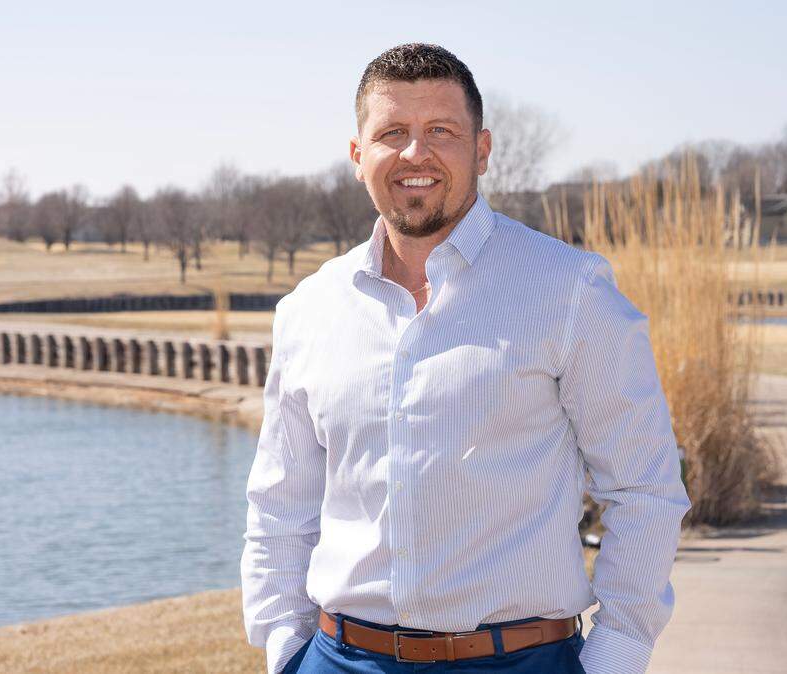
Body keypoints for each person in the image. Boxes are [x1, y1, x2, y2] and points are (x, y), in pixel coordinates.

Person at [240, 42, 692, 674]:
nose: (414, 153)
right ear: (357, 155)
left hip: (518, 660)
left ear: (481, 148)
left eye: (441, 132)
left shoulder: (570, 290)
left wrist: (619, 651)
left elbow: (644, 487)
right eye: (392, 132)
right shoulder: (310, 309)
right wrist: (284, 646)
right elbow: (281, 501)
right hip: (338, 659)